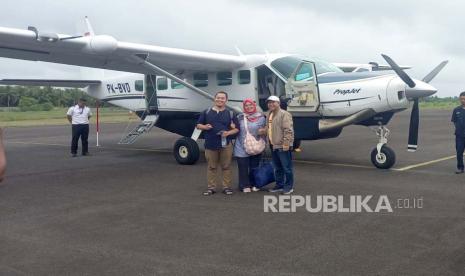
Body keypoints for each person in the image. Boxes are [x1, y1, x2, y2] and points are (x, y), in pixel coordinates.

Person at [197, 91, 239, 196]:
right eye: (218, 98)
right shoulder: (206, 112)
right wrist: (205, 127)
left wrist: (228, 132)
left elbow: (237, 129)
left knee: (226, 166)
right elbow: (198, 125)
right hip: (210, 144)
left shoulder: (230, 113)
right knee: (211, 167)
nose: (220, 100)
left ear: (226, 100)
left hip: (226, 145)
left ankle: (226, 187)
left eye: (222, 98)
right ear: (214, 99)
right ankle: (211, 188)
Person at [259, 96, 295, 194]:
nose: (271, 104)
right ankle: (279, 185)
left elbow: (288, 130)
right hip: (273, 145)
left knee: (286, 168)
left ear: (278, 103)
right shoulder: (269, 114)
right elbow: (269, 127)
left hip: (282, 145)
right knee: (277, 167)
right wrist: (263, 131)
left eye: (273, 102)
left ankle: (289, 186)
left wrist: (286, 143)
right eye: (269, 103)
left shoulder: (284, 114)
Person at [233, 98, 266, 193]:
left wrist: (263, 135)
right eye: (246, 105)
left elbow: (265, 130)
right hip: (241, 145)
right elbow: (234, 128)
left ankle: (253, 183)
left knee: (254, 167)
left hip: (256, 145)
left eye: (251, 105)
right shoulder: (239, 117)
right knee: (242, 167)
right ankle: (244, 185)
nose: (249, 107)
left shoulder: (261, 117)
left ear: (254, 106)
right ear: (244, 107)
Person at [451, 91, 465, 174]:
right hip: (459, 136)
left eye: (464, 99)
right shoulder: (456, 110)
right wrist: (459, 129)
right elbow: (454, 121)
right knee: (459, 152)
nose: (463, 100)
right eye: (461, 99)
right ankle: (460, 167)